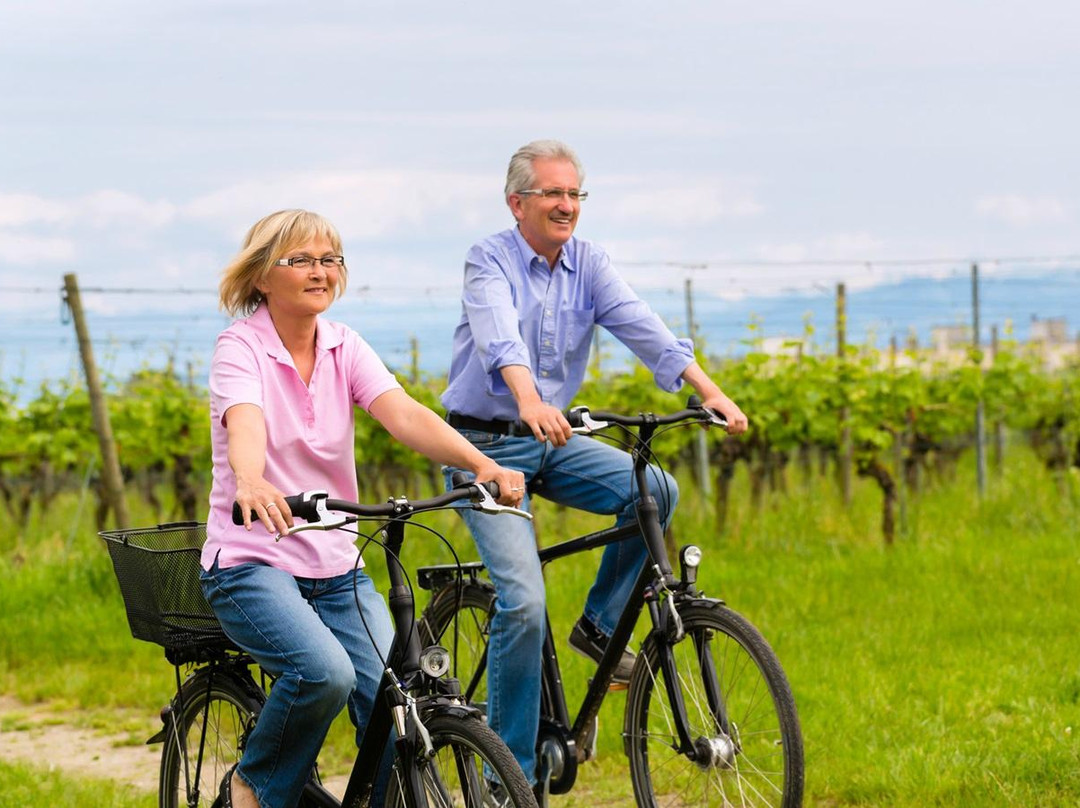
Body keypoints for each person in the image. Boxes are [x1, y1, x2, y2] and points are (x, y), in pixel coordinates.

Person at [441, 140, 749, 785]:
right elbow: (500, 334)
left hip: (550, 440)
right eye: (553, 193)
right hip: (484, 448)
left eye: (575, 193)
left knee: (655, 492)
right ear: (517, 202)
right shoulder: (488, 259)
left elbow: (641, 324)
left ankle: (599, 629)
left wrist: (707, 389)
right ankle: (510, 781)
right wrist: (527, 398)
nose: (566, 205)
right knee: (523, 603)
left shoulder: (590, 264)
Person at [199, 209, 525, 808]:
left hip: (336, 566)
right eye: (301, 260)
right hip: (252, 563)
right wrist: (250, 480)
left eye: (330, 259)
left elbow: (403, 413)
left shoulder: (344, 345)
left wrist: (482, 464)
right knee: (325, 674)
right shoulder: (240, 347)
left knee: (392, 693)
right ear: (264, 276)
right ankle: (254, 783)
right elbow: (243, 420)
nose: (320, 271)